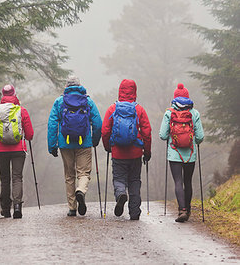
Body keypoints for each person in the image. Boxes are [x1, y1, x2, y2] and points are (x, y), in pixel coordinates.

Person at [47, 76, 102, 217]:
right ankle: (81, 191)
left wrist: (52, 146)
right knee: (83, 173)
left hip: (65, 143)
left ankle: (72, 208)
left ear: (66, 86)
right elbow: (97, 123)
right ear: (79, 85)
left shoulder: (59, 101)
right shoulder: (88, 101)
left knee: (69, 175)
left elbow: (52, 124)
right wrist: (95, 140)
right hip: (84, 142)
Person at [102, 79, 152, 221]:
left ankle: (121, 194)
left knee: (119, 178)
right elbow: (147, 132)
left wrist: (108, 147)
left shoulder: (113, 109)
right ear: (134, 92)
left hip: (118, 152)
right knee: (135, 181)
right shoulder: (139, 109)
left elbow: (105, 130)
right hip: (136, 153)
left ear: (120, 91)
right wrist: (147, 152)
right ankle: (134, 212)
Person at [0, 84, 34, 219]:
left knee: (5, 179)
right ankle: (17, 206)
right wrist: (28, 137)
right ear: (14, 94)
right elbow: (29, 133)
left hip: (2, 150)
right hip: (19, 149)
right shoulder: (21, 110)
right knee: (17, 177)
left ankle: (6, 209)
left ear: (2, 95)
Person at [159, 83, 204, 222]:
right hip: (190, 154)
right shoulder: (194, 113)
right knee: (187, 181)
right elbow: (200, 137)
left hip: (174, 153)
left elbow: (162, 135)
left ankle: (182, 210)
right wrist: (193, 140)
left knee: (178, 181)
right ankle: (188, 210)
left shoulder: (169, 113)